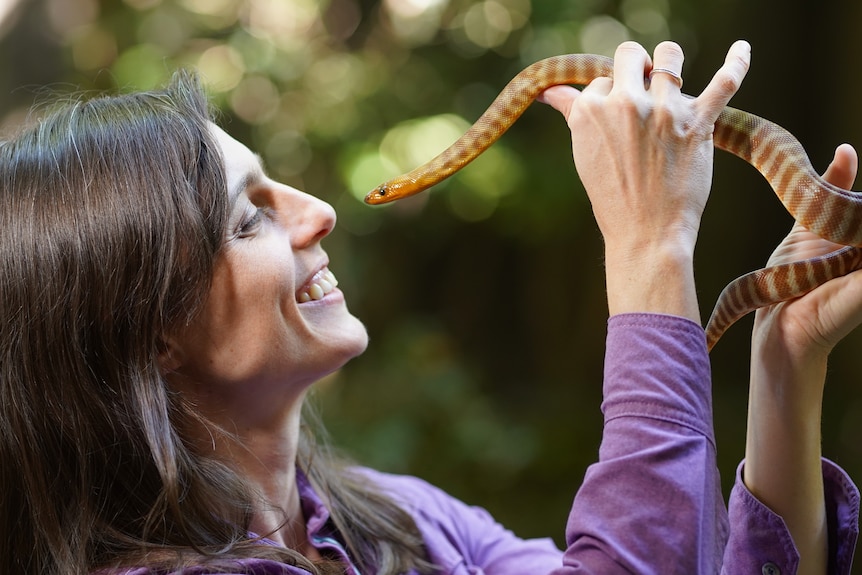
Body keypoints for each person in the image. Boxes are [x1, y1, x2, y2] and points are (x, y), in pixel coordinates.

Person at [0, 34, 852, 574]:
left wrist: (783, 357)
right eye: (248, 217)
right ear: (153, 337)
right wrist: (649, 249)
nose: (317, 211)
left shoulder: (399, 521)